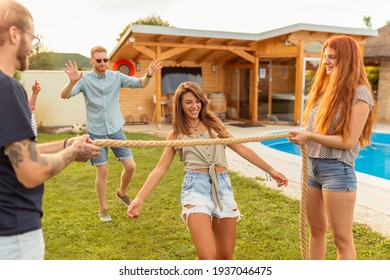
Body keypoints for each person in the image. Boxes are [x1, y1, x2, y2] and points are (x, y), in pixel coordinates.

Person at [127, 81, 288, 260]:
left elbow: (241, 148)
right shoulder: (176, 133)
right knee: (207, 258)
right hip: (195, 189)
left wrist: (271, 170)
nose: (194, 106)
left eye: (198, 101)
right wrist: (139, 198)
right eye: (189, 102)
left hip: (223, 188)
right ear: (180, 104)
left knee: (226, 257)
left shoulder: (214, 125)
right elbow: (159, 169)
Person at [0, 0, 101, 260]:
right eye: (32, 38)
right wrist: (73, 153)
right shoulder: (8, 90)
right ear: (14, 34)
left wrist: (66, 144)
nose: (33, 49)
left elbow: (16, 152)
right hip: (14, 236)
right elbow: (30, 171)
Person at [288, 35, 376, 260]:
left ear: (346, 59)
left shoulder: (360, 94)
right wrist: (304, 132)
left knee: (342, 240)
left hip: (337, 170)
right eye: (325, 57)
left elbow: (347, 141)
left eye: (332, 57)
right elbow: (318, 129)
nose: (326, 62)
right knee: (316, 230)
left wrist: (309, 136)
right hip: (312, 168)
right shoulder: (327, 90)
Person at [60, 46, 163, 222]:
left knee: (131, 166)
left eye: (105, 60)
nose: (102, 63)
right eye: (99, 60)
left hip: (116, 130)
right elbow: (64, 96)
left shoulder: (116, 77)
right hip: (96, 133)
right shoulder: (84, 80)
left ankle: (121, 193)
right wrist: (72, 82)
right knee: (103, 171)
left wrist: (149, 74)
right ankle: (103, 209)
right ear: (92, 61)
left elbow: (140, 83)